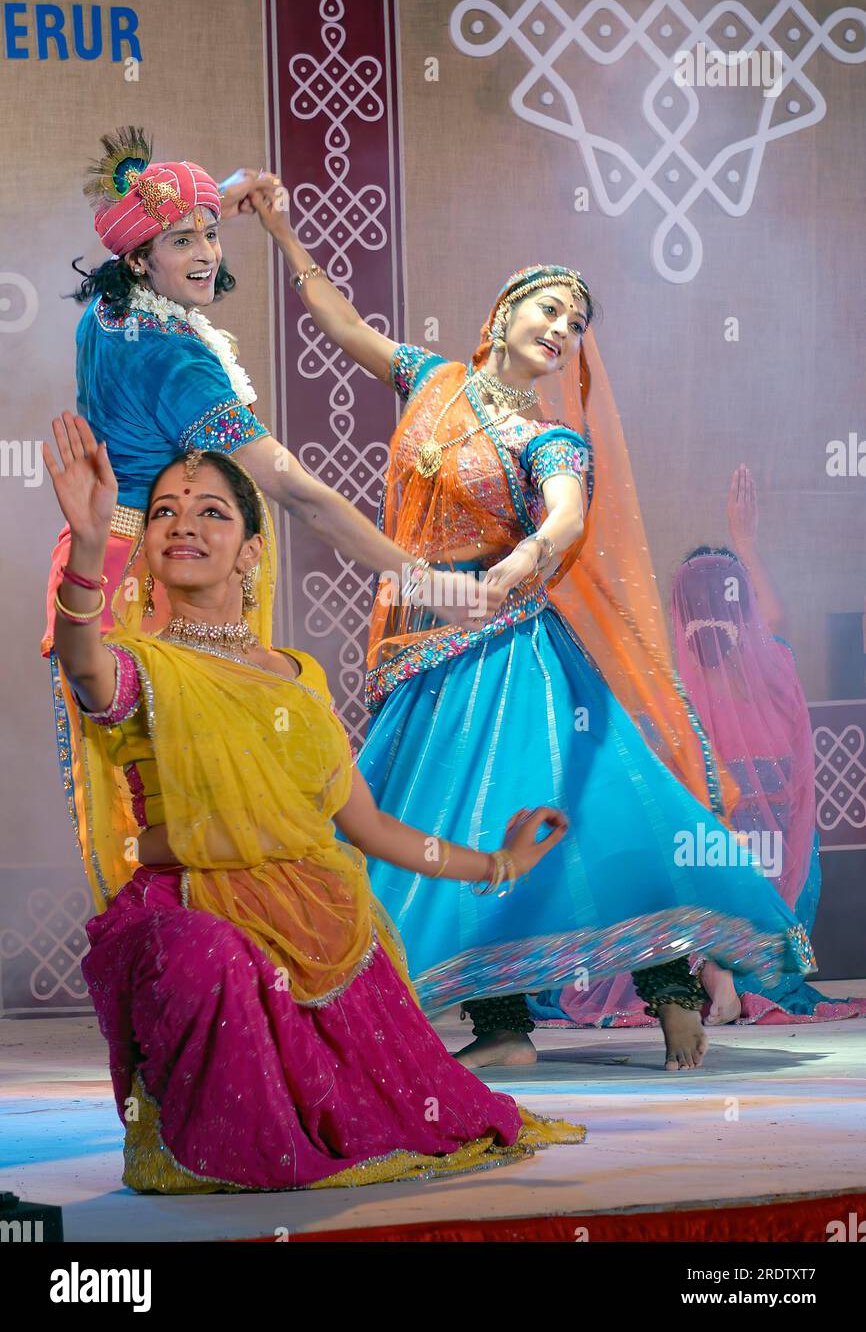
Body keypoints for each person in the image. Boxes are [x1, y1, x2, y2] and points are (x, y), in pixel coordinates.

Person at [245, 188, 818, 1073]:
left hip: (511, 649)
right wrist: (282, 227)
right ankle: (504, 1028)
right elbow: (339, 320)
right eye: (550, 307)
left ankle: (669, 994)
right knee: (437, 823)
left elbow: (563, 518)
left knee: (585, 815)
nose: (563, 327)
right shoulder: (430, 380)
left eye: (578, 322)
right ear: (506, 312)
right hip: (423, 652)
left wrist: (521, 564)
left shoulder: (551, 438)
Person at [42, 413, 579, 1192]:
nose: (182, 524)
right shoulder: (140, 668)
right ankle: (227, 1145)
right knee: (208, 957)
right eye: (164, 511)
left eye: (210, 512)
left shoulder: (297, 680)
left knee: (414, 1103)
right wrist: (89, 545)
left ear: (251, 552)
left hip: (315, 914)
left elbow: (365, 826)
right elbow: (85, 667)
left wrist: (495, 860)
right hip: (194, 911)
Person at [45, 128, 490, 865]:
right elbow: (292, 488)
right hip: (155, 587)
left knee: (150, 792)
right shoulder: (178, 361)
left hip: (107, 562)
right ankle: (211, 954)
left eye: (212, 235)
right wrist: (420, 579)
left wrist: (230, 187)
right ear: (140, 258)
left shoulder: (110, 310)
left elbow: (159, 221)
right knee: (190, 796)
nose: (207, 255)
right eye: (184, 242)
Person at [532, 467, 866, 1028]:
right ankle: (730, 968)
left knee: (664, 850)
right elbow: (774, 618)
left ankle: (710, 970)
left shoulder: (673, 698)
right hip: (775, 866)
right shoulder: (773, 673)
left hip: (712, 862)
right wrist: (745, 542)